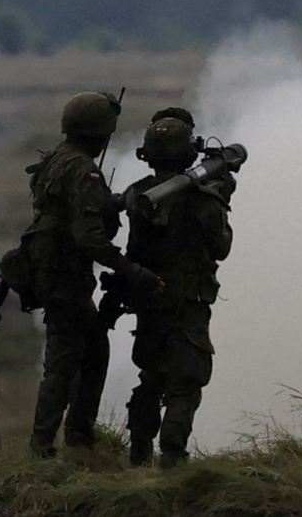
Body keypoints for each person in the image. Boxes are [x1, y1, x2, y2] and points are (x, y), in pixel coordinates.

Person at [23, 92, 163, 458]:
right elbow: (90, 239)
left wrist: (114, 202)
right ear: (99, 132)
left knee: (90, 352)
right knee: (64, 361)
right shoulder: (84, 169)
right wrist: (134, 272)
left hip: (52, 274)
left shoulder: (56, 159)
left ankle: (77, 439)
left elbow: (69, 210)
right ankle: (48, 447)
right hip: (66, 279)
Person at [121, 107, 235, 469]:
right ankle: (173, 458)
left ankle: (138, 454)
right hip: (188, 301)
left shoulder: (137, 195)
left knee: (150, 378)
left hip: (149, 299)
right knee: (185, 381)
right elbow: (221, 247)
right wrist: (221, 198)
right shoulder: (202, 198)